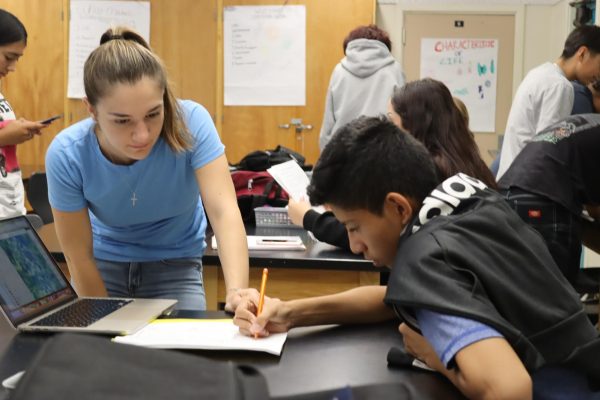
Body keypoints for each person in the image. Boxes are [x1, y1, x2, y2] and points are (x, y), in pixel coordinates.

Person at [234, 116, 600, 399]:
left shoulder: (424, 257)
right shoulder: (465, 201)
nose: (354, 243)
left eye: (354, 226)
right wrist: (291, 313)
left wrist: (436, 358)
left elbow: (509, 390)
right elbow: (396, 297)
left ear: (397, 207)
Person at [45, 27, 249, 311]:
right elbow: (79, 257)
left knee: (181, 354)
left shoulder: (191, 123)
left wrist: (238, 292)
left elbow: (223, 212)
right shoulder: (67, 154)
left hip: (175, 267)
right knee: (100, 351)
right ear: (91, 109)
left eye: (153, 114)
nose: (142, 135)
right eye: (122, 121)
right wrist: (107, 325)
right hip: (102, 267)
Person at [290, 78, 495, 250]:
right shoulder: (467, 160)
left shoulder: (429, 172)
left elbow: (378, 235)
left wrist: (308, 217)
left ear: (414, 123)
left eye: (391, 120)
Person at [498, 114, 600, 294]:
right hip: (544, 200)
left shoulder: (587, 124)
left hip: (508, 194)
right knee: (557, 296)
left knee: (520, 290)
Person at [497, 25, 600, 179]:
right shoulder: (560, 86)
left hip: (511, 179)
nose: (598, 75)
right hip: (527, 186)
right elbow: (549, 148)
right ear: (583, 53)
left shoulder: (539, 73)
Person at [318, 24, 405, 150]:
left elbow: (328, 127)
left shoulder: (339, 71)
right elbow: (402, 119)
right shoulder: (394, 70)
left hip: (344, 152)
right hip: (384, 152)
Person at [0, 9, 49, 218]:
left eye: (17, 59)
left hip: (10, 213)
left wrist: (14, 128)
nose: (12, 67)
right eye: (9, 57)